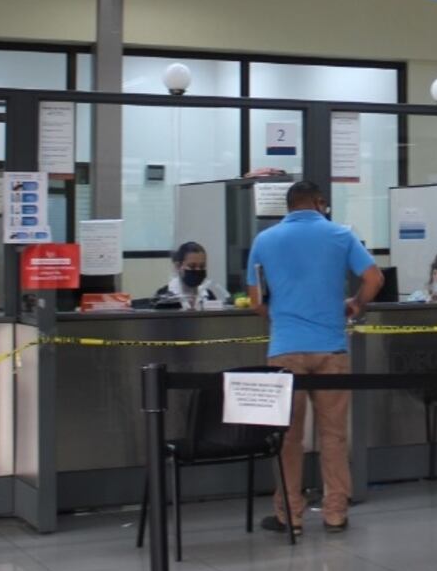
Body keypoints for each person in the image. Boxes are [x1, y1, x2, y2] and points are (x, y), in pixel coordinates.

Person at [246, 181, 383, 534]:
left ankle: (289, 515)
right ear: (320, 203)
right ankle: (335, 512)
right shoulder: (341, 235)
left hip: (285, 350)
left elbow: (256, 300)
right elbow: (374, 278)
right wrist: (355, 304)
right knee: (333, 435)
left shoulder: (265, 240)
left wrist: (281, 317)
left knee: (287, 437)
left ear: (288, 206)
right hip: (331, 348)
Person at [156, 242, 230, 309]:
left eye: (202, 266)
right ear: (178, 266)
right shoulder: (163, 297)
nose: (198, 270)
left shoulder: (209, 296)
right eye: (192, 266)